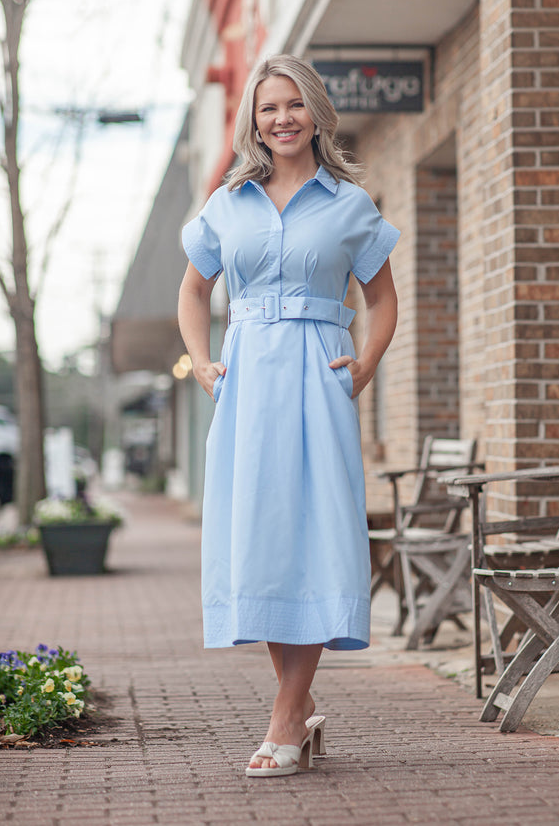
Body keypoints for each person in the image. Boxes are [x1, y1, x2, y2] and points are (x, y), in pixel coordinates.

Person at [177, 54, 399, 778]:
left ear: (316, 113)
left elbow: (383, 298)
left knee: (316, 533)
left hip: (319, 376)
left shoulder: (349, 203)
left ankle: (286, 715)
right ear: (254, 119)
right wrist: (203, 359)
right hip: (248, 383)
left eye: (294, 105)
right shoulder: (227, 202)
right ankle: (295, 709)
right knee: (264, 538)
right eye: (269, 108)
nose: (282, 119)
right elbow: (193, 291)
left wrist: (364, 364)